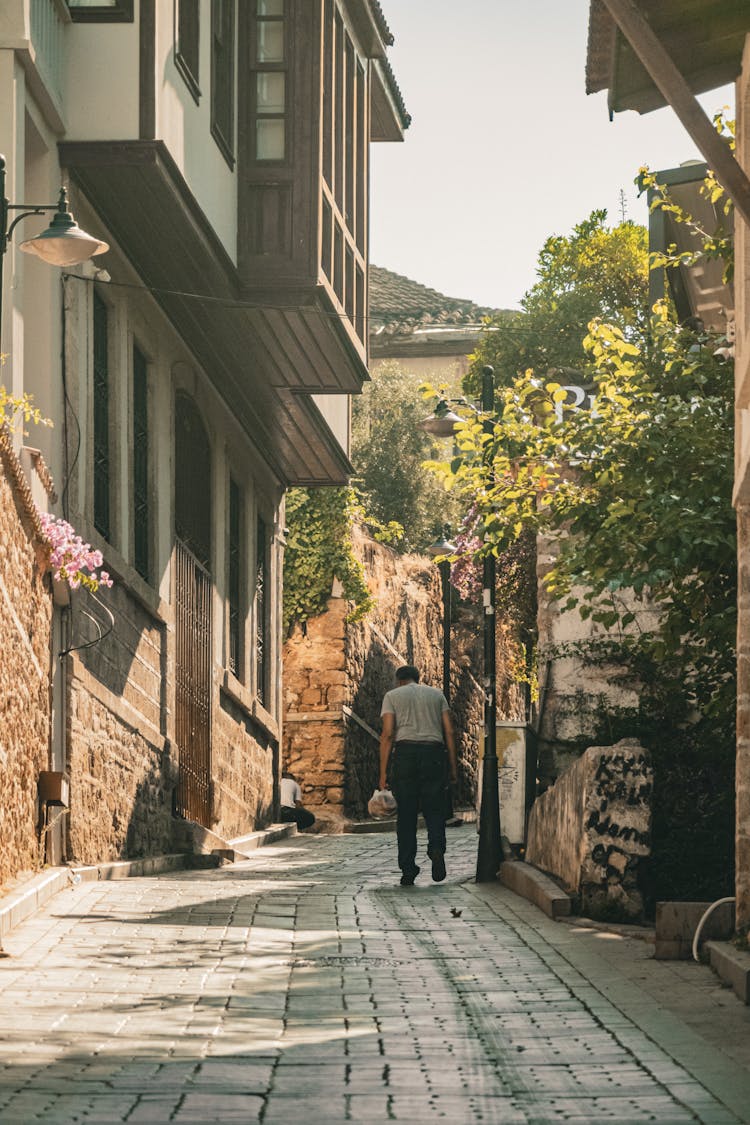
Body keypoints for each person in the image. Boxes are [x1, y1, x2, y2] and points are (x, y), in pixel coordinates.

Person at [379, 665, 458, 886]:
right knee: (435, 809)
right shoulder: (436, 695)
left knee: (406, 815)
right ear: (417, 678)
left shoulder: (392, 696)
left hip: (405, 754)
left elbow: (387, 734)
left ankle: (408, 869)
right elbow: (449, 731)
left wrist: (383, 772)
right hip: (433, 753)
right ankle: (436, 849)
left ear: (399, 680)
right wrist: (452, 766)